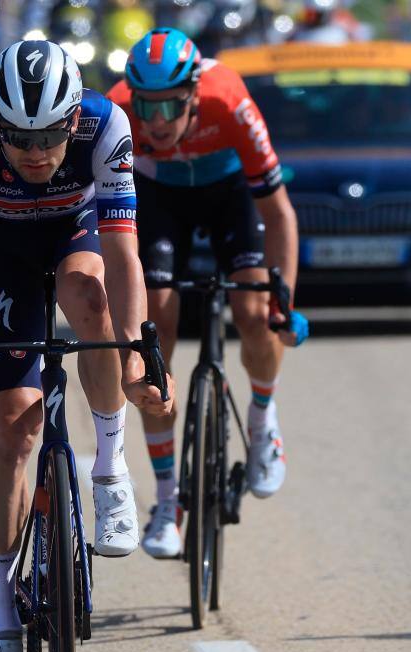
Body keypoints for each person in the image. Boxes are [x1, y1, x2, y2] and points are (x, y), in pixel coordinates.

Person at [0, 39, 174, 652]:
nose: (35, 152)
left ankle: (111, 472)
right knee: (12, 428)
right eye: (18, 137)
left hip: (76, 234)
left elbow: (123, 256)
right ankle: (2, 628)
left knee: (90, 299)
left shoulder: (106, 124)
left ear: (73, 119)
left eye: (48, 135)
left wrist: (136, 351)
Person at [107, 28, 304, 558]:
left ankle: (262, 420)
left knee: (254, 311)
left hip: (228, 195)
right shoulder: (116, 112)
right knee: (155, 330)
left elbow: (279, 214)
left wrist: (285, 300)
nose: (157, 120)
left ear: (194, 94)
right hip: (160, 195)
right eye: (146, 105)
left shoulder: (230, 100)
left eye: (171, 104)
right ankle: (167, 498)